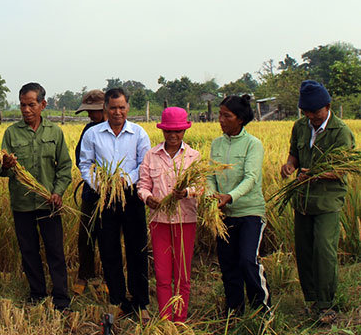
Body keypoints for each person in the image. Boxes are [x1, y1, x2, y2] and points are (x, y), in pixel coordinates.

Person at [280, 80, 355, 324]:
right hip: (302, 199)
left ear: (327, 106)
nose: (311, 116)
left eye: (315, 112)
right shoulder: (300, 126)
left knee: (324, 251)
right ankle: (311, 301)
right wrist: (290, 166)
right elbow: (294, 153)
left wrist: (313, 173)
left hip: (327, 202)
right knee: (304, 252)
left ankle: (326, 305)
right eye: (307, 112)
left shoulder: (340, 131)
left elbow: (339, 170)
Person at [0, 82, 72, 310]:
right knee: (29, 251)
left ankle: (60, 297)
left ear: (42, 104)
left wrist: (57, 192)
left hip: (48, 203)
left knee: (55, 251)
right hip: (22, 204)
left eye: (31, 105)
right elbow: (1, 170)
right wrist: (7, 165)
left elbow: (65, 168)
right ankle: (37, 294)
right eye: (22, 105)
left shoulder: (54, 132)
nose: (26, 110)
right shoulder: (11, 133)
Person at [79, 88, 151, 320]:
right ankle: (118, 300)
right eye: (113, 108)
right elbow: (85, 164)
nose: (117, 112)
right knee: (109, 251)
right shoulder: (93, 134)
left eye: (121, 107)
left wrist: (126, 180)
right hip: (105, 197)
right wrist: (102, 184)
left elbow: (144, 165)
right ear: (105, 109)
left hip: (131, 197)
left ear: (128, 108)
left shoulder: (139, 133)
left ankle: (141, 302)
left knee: (136, 250)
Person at [207, 94, 270, 316]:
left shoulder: (253, 144)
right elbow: (209, 175)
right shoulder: (217, 144)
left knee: (247, 260)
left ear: (240, 119)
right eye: (220, 115)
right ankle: (234, 310)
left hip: (250, 213)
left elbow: (251, 177)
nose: (220, 120)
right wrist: (212, 195)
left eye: (227, 116)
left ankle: (261, 310)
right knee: (228, 265)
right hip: (224, 215)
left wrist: (229, 196)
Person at [137, 107, 199, 322]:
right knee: (162, 274)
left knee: (182, 275)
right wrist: (147, 198)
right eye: (169, 132)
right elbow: (143, 185)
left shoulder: (193, 157)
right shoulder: (151, 156)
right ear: (162, 131)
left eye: (178, 131)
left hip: (185, 221)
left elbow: (201, 186)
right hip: (159, 221)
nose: (173, 136)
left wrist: (188, 192)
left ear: (185, 131)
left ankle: (179, 320)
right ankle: (165, 320)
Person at [72, 89, 107, 295]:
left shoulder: (117, 129)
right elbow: (81, 159)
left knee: (109, 236)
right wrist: (96, 180)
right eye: (88, 112)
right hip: (91, 192)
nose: (90, 115)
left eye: (93, 111)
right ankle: (85, 274)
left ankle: (107, 275)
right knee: (86, 235)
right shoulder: (88, 130)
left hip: (115, 194)